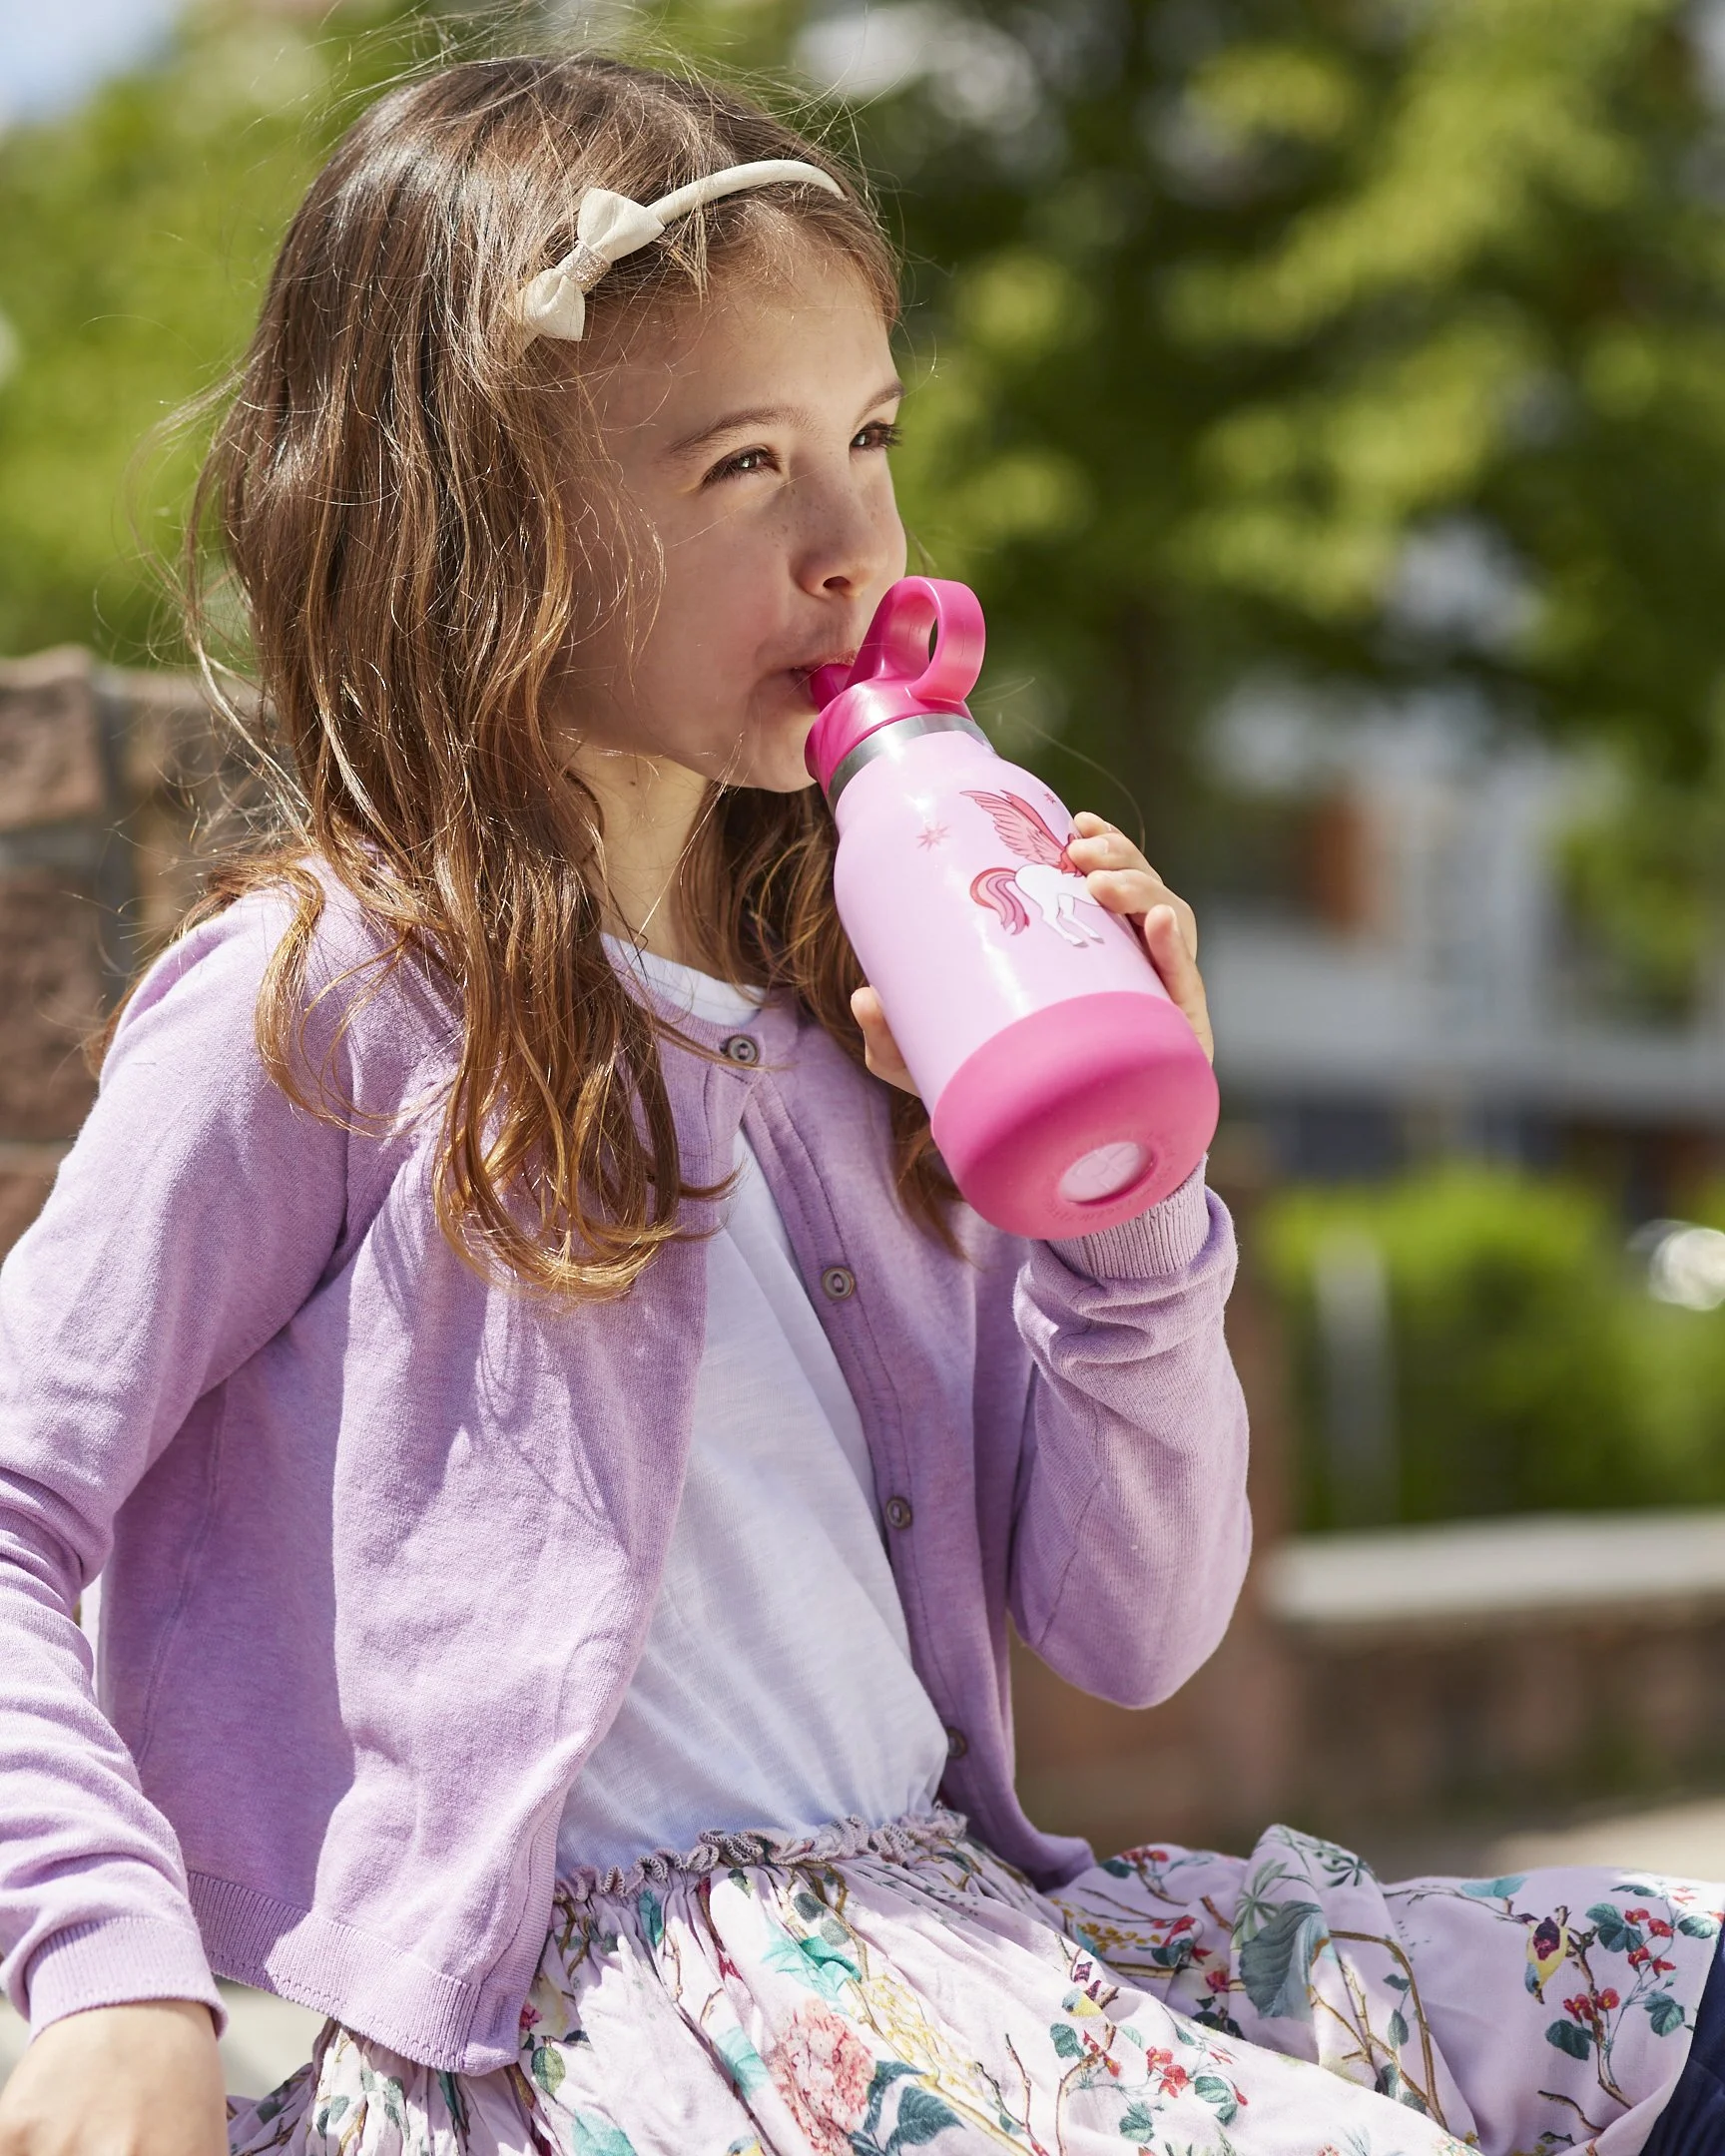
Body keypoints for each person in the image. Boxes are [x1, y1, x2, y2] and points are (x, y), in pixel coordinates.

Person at [0, 51, 1721, 2156]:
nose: (855, 548)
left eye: (873, 439)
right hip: (605, 2032)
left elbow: (1136, 1629)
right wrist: (103, 1961)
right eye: (743, 464)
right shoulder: (334, 1000)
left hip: (960, 1930)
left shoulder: (850, 1027)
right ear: (481, 515)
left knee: (1660, 1996)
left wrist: (1125, 1216)